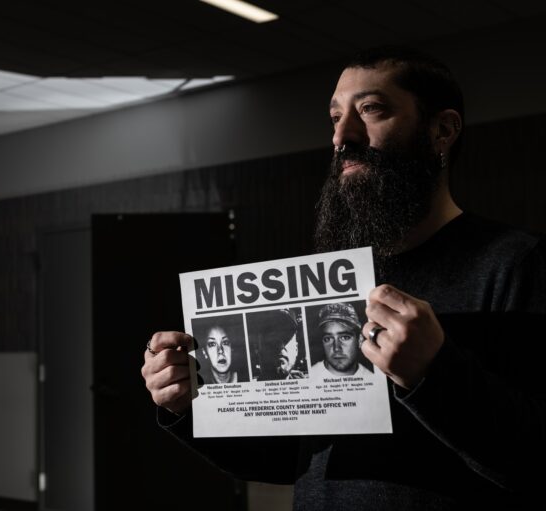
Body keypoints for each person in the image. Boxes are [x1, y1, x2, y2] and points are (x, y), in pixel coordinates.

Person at [141, 45, 546, 509]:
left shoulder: (517, 263)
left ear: (442, 130)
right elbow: (290, 460)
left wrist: (433, 374)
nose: (342, 136)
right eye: (335, 118)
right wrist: (186, 405)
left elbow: (535, 462)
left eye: (371, 109)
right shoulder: (333, 280)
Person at [310, 302, 372, 377]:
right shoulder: (310, 377)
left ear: (360, 340)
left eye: (345, 337)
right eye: (328, 339)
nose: (336, 348)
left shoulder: (373, 379)